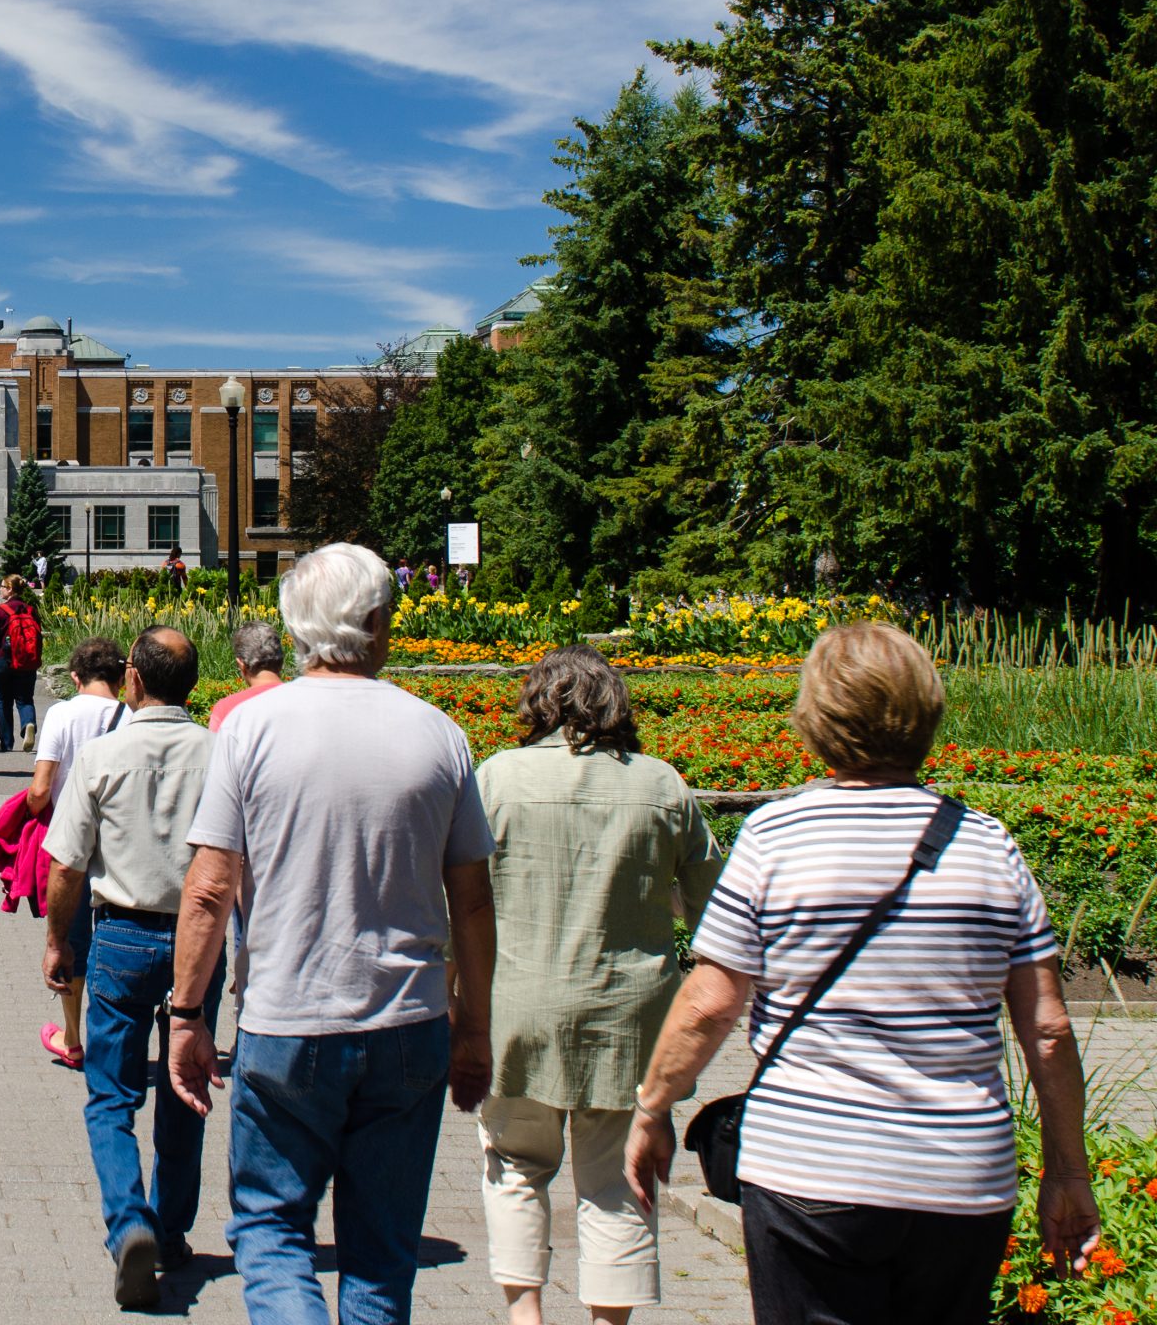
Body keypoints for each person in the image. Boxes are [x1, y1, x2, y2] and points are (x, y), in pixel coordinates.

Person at [624, 622, 1097, 1323]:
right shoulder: (990, 848)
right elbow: (1049, 1030)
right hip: (959, 1178)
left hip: (812, 1170)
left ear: (816, 715)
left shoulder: (774, 839)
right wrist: (1067, 1172)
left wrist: (652, 1108)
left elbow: (710, 1004)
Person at [169, 542, 496, 1325]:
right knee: (382, 1259)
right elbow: (474, 902)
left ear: (295, 626)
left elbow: (211, 887)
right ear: (381, 622)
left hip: (289, 1020)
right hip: (409, 1021)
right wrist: (475, 1030)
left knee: (273, 1234)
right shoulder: (438, 734)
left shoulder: (252, 730)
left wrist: (187, 1015)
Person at [474, 646, 722, 1325]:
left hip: (519, 1007)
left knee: (516, 1164)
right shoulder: (662, 785)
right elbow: (715, 910)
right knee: (617, 1179)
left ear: (538, 701)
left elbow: (459, 903)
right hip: (630, 1017)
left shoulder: (496, 779)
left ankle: (526, 1316)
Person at [43, 628, 219, 1310]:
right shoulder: (221, 753)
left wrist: (61, 943)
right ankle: (171, 1231)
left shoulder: (102, 756)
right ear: (192, 686)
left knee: (111, 1095)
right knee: (187, 1082)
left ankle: (129, 1223)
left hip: (120, 934)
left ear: (134, 683)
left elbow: (67, 864)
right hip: (198, 942)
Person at [30, 638, 129, 1067]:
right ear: (122, 677)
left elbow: (39, 788)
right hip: (119, 844)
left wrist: (35, 810)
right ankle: (118, 1033)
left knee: (69, 943)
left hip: (71, 842)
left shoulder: (62, 714)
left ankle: (72, 1038)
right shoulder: (133, 718)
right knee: (118, 934)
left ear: (75, 677)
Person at [0, 577, 44, 752]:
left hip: (4, 660)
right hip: (27, 660)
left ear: (10, 589)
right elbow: (38, 636)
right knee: (25, 698)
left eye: (3, 587)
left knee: (4, 701)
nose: (0, 590)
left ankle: (6, 743)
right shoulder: (30, 609)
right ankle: (28, 723)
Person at [205, 621, 285, 731]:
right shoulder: (307, 699)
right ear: (281, 660)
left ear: (241, 664)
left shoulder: (227, 708)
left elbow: (216, 747)